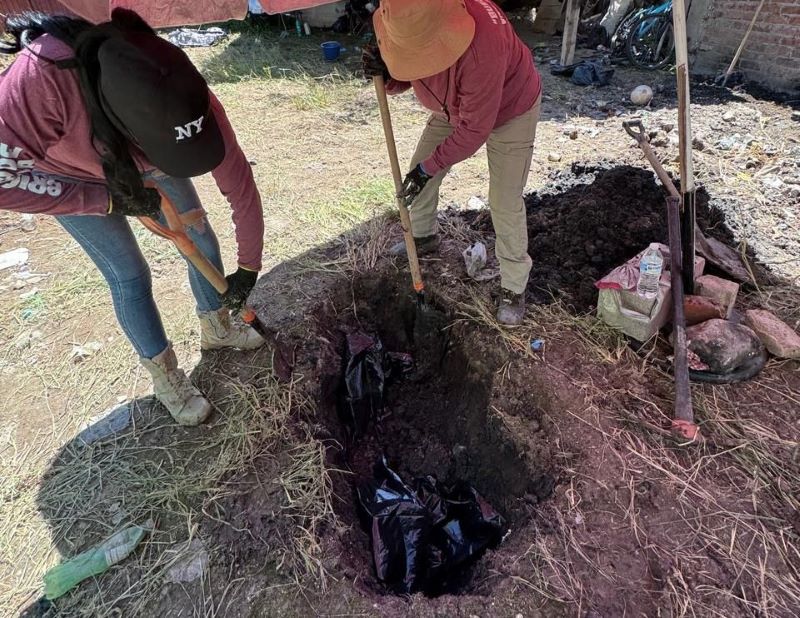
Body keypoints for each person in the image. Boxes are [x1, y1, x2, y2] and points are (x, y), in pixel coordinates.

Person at [0, 10, 266, 426]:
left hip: (145, 151)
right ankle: (167, 377)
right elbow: (4, 180)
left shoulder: (181, 89)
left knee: (198, 233)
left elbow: (239, 183)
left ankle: (218, 327)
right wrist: (103, 200)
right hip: (67, 173)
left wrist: (248, 267)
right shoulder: (41, 80)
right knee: (130, 274)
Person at [363, 0, 542, 325]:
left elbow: (475, 130)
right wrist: (387, 74)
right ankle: (423, 236)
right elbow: (413, 72)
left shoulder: (482, 42)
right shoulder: (409, 20)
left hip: (511, 107)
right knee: (419, 167)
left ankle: (514, 285)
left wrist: (427, 169)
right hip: (454, 107)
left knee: (504, 199)